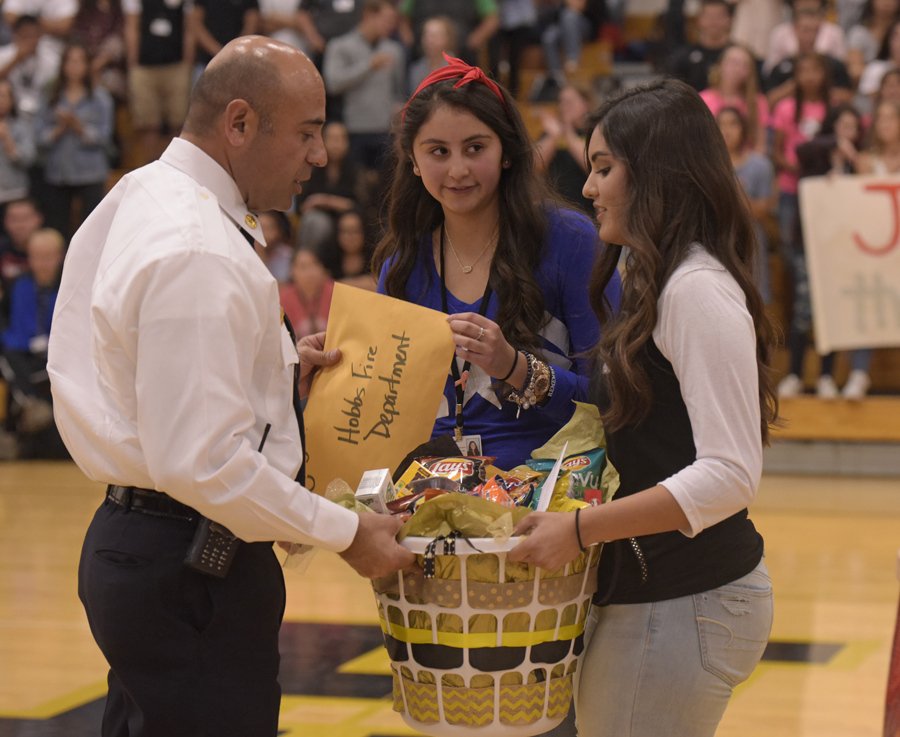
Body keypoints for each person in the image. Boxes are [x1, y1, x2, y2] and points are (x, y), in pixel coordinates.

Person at [47, 36, 415, 736]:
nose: (321, 154)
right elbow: (203, 461)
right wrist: (345, 532)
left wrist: (267, 369)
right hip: (187, 566)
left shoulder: (145, 191)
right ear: (239, 123)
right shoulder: (196, 247)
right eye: (306, 133)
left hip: (150, 550)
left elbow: (131, 366)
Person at [508, 77, 776, 736]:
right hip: (659, 591)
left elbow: (731, 473)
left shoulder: (696, 290)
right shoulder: (653, 280)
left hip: (688, 595)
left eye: (604, 168)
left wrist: (576, 531)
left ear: (657, 174)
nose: (590, 187)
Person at [373, 55, 622, 469]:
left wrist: (516, 368)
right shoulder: (400, 266)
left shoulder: (570, 240)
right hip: (426, 499)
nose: (458, 170)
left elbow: (616, 401)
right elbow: (384, 420)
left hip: (550, 496)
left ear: (507, 151)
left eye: (475, 148)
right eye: (438, 151)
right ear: (412, 161)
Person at [36, 43, 115, 239]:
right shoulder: (50, 98)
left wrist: (78, 127)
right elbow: (39, 138)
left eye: (80, 61)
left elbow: (104, 138)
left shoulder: (100, 99)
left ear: (88, 65)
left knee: (93, 232)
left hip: (91, 173)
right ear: (63, 65)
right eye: (70, 61)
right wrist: (60, 129)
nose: (74, 66)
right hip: (58, 173)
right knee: (57, 230)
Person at [322, 0, 405, 173]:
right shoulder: (340, 46)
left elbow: (399, 90)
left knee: (384, 189)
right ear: (369, 15)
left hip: (385, 130)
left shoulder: (394, 50)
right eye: (387, 19)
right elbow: (333, 84)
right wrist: (369, 66)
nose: (391, 25)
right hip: (353, 129)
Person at [770, 52, 831, 282]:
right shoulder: (786, 108)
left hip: (822, 189)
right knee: (789, 247)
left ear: (825, 74)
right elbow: (775, 152)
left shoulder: (831, 107)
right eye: (803, 71)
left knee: (822, 245)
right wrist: (794, 166)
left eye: (815, 70)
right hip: (790, 188)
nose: (810, 77)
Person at [1, 227, 62, 438]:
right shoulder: (17, 284)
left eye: (48, 257)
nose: (42, 263)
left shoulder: (69, 285)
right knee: (7, 356)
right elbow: (6, 319)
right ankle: (30, 404)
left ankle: (33, 405)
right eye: (37, 257)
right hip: (22, 353)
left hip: (56, 353)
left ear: (60, 256)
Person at [123, 0, 194, 165]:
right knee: (147, 123)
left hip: (176, 66)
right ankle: (151, 167)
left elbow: (189, 29)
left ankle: (178, 167)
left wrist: (187, 64)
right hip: (145, 67)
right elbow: (132, 28)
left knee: (178, 122)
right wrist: (133, 65)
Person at [717, 107, 774, 303]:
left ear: (743, 129)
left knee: (755, 299)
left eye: (732, 123)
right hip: (718, 243)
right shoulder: (709, 167)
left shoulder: (760, 165)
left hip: (751, 241)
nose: (727, 130)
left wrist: (734, 191)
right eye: (721, 125)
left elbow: (762, 211)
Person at [295, 120, 371, 253]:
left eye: (341, 139)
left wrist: (327, 201)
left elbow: (363, 207)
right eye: (332, 139)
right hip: (317, 222)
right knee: (314, 221)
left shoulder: (356, 172)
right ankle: (306, 261)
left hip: (347, 222)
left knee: (347, 224)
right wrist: (310, 206)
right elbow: (300, 206)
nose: (336, 144)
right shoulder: (312, 170)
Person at [764, 11, 853, 108]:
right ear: (794, 30)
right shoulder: (781, 67)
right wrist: (796, 86)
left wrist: (821, 90)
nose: (810, 36)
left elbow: (849, 98)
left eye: (815, 30)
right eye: (806, 30)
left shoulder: (834, 65)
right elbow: (768, 103)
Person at [534, 82, 594, 213]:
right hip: (556, 208)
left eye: (570, 102)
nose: (564, 107)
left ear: (585, 104)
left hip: (587, 209)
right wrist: (553, 137)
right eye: (562, 102)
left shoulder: (593, 132)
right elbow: (535, 165)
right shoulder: (552, 133)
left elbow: (590, 164)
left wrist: (567, 131)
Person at [701, 44, 770, 152]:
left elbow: (760, 145)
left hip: (746, 162)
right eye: (733, 63)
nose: (738, 69)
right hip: (712, 160)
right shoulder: (703, 99)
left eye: (745, 65)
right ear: (720, 66)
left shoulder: (758, 101)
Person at [0, 15, 60, 121]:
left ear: (40, 36)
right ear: (15, 35)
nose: (29, 41)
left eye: (33, 36)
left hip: (41, 112)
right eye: (25, 36)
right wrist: (16, 60)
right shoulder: (3, 55)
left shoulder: (52, 60)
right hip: (8, 114)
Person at [764, 0, 848, 75]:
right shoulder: (779, 33)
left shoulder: (835, 32)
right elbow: (769, 72)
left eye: (814, 30)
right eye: (805, 30)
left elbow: (842, 72)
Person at [664, 0, 733, 93]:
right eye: (709, 17)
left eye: (719, 16)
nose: (714, 22)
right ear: (699, 19)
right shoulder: (683, 58)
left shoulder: (739, 56)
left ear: (729, 19)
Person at [279, 246, 334, 337]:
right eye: (303, 267)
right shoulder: (284, 299)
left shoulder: (335, 293)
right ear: (292, 271)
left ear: (322, 268)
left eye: (314, 265)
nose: (309, 272)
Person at [0, 79, 36, 208]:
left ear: (12, 100)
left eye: (4, 96)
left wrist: (6, 138)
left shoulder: (22, 126)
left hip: (14, 193)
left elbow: (27, 160)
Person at [845, 0, 899, 86]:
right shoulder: (859, 33)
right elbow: (855, 70)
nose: (887, 2)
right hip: (869, 90)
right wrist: (878, 74)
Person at [408, 15, 456, 93]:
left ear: (448, 39)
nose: (430, 40)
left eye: (435, 36)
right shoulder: (416, 69)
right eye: (427, 35)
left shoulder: (458, 70)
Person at [255, 209, 294, 282]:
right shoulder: (244, 251)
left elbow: (282, 286)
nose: (263, 234)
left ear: (277, 232)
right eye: (259, 229)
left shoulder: (286, 255)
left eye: (267, 229)